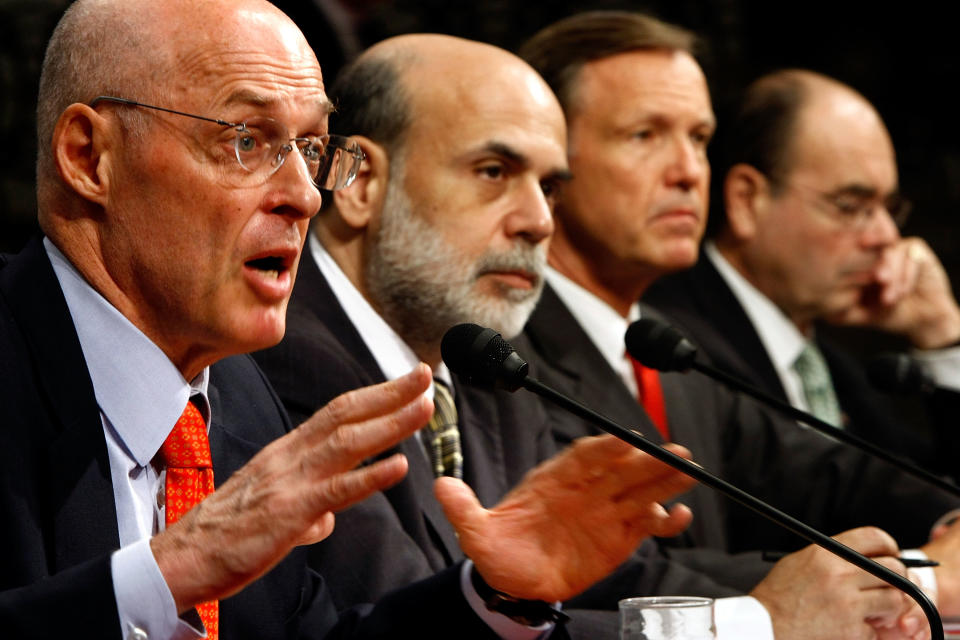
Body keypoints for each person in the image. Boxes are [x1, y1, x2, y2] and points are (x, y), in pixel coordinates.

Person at [0, 1, 705, 638]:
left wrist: (496, 597)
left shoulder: (239, 396)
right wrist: (170, 572)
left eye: (310, 150)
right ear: (90, 157)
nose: (304, 197)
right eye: (246, 140)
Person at [252, 30, 927, 640]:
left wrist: (869, 588)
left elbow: (601, 581)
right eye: (495, 173)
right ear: (362, 181)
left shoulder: (488, 372)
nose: (539, 221)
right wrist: (757, 622)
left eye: (550, 186)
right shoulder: (278, 362)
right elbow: (402, 614)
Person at [518, 10, 960, 637]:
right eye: (645, 135)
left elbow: (835, 476)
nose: (689, 171)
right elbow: (619, 573)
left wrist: (950, 521)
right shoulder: (504, 351)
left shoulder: (672, 348)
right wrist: (917, 581)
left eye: (699, 138)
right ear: (547, 164)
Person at [643, 68, 960, 473]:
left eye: (889, 208)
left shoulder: (839, 372)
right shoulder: (677, 349)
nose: (885, 235)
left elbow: (927, 495)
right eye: (850, 206)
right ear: (747, 200)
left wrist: (942, 334)